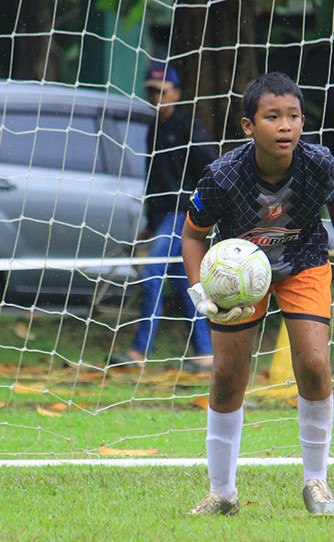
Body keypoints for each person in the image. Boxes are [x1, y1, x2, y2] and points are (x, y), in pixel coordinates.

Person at [181, 72, 334, 517]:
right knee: (227, 375)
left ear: (303, 122)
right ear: (249, 125)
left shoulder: (318, 162)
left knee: (313, 364)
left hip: (304, 262)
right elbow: (192, 235)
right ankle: (222, 493)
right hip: (238, 276)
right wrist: (199, 293)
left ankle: (316, 481)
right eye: (272, 117)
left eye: (293, 116)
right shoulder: (222, 175)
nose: (285, 126)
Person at [110, 64, 218, 372]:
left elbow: (209, 169)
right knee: (183, 283)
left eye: (161, 91)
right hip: (162, 217)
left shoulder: (188, 126)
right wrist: (150, 223)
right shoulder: (153, 130)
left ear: (176, 94)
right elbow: (154, 180)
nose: (156, 97)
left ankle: (139, 350)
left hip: (182, 215)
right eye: (151, 91)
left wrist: (200, 212)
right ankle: (205, 354)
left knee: (152, 272)